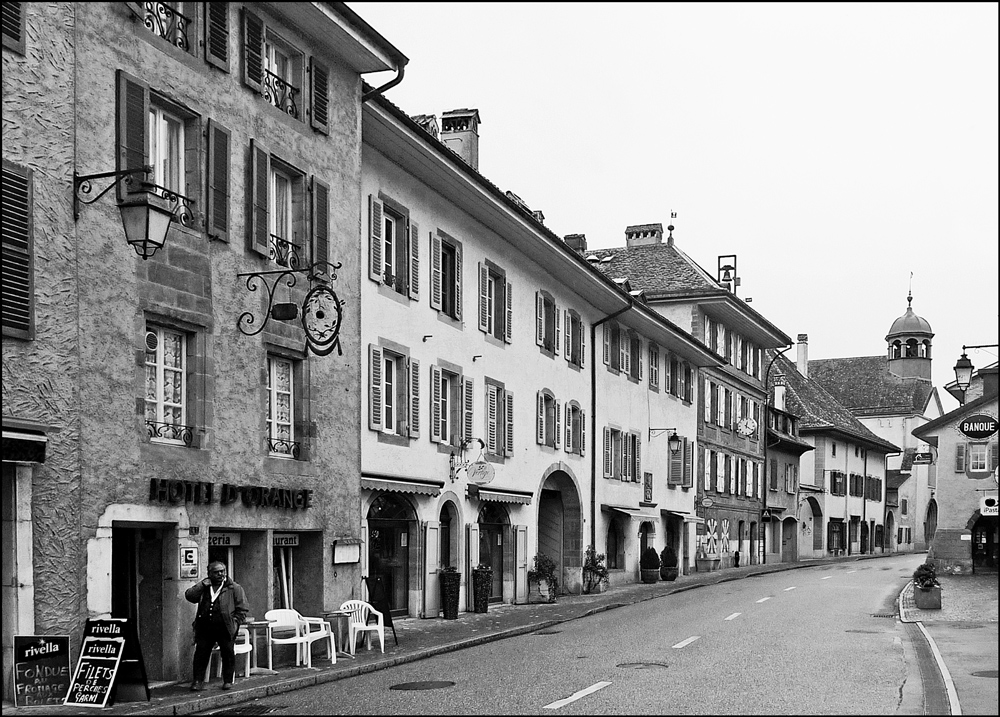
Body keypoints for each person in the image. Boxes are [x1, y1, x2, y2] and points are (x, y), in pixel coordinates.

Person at [185, 561, 249, 691]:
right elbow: (190, 596)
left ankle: (228, 680)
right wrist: (201, 585)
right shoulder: (205, 587)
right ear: (209, 574)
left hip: (225, 627)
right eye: (216, 572)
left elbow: (242, 608)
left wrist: (235, 623)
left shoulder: (234, 588)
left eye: (222, 571)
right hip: (205, 627)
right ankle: (197, 681)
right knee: (201, 654)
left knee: (227, 653)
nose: (220, 574)